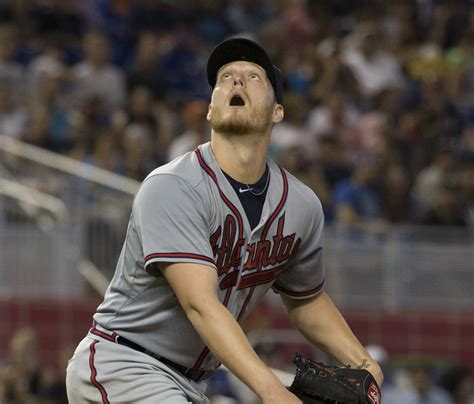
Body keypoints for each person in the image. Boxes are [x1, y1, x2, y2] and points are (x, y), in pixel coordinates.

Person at [66, 37, 383, 404]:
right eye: (225, 77)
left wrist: (364, 363)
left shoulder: (301, 205)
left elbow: (306, 299)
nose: (236, 81)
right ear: (210, 108)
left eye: (253, 77)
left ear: (277, 111)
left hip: (189, 384)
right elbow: (200, 303)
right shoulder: (173, 186)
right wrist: (269, 388)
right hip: (123, 364)